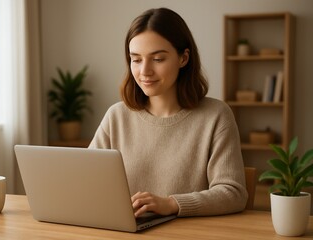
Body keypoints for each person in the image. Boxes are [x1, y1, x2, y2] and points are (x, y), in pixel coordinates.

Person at [89, 7, 248, 218]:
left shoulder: (216, 116)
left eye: (158, 59)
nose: (144, 71)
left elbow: (233, 193)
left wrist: (172, 204)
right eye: (136, 59)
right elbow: (86, 181)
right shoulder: (116, 116)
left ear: (183, 58)